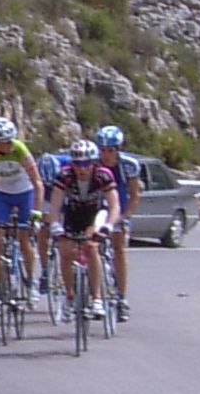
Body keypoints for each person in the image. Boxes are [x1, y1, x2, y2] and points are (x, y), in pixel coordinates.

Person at [0, 117, 44, 310]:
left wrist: (37, 213)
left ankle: (31, 282)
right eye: (6, 142)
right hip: (0, 195)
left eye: (11, 140)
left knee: (24, 238)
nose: (10, 144)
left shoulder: (19, 149)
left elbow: (38, 183)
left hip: (24, 193)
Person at [46, 140, 120, 320]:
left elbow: (114, 205)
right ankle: (69, 295)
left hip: (96, 214)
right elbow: (55, 206)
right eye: (77, 164)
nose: (82, 169)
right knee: (65, 251)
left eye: (86, 164)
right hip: (73, 213)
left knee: (91, 246)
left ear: (93, 163)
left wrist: (109, 226)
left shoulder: (103, 175)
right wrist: (55, 225)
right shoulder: (64, 176)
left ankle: (97, 298)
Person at [95, 125, 141, 322]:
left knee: (119, 249)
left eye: (110, 150)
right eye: (102, 150)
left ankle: (122, 298)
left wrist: (124, 217)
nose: (106, 155)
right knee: (90, 247)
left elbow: (134, 195)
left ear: (118, 149)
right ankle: (94, 296)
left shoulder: (129, 165)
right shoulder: (92, 163)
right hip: (96, 207)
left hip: (119, 209)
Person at [36, 151, 71, 295]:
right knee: (43, 229)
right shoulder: (34, 168)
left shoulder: (68, 163)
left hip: (66, 190)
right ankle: (45, 270)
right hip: (45, 194)